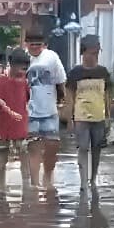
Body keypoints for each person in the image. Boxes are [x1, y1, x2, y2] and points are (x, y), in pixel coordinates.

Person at [66, 35, 114, 188]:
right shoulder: (75, 73)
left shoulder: (103, 72)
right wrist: (70, 119)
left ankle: (93, 178)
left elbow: (107, 95)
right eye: (91, 53)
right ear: (83, 53)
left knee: (97, 148)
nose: (94, 57)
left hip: (99, 115)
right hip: (81, 116)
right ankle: (83, 181)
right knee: (82, 147)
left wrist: (108, 116)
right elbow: (70, 97)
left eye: (96, 53)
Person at [24, 32, 68, 191]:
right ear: (26, 44)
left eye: (38, 44)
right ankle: (35, 183)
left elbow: (61, 81)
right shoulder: (22, 59)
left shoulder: (51, 57)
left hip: (50, 110)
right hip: (30, 112)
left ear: (44, 44)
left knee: (52, 146)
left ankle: (48, 176)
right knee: (33, 147)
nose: (35, 47)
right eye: (31, 43)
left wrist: (64, 103)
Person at [0, 48, 32, 195]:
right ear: (12, 65)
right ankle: (1, 189)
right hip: (3, 127)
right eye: (20, 66)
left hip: (20, 127)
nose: (22, 69)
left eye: (25, 67)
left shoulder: (26, 83)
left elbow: (27, 101)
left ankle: (26, 188)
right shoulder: (0, 82)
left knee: (24, 160)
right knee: (2, 160)